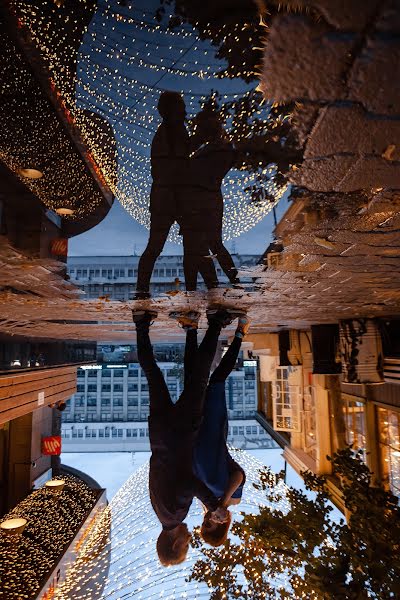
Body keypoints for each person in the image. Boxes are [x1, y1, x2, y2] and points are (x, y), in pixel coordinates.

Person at [132, 306, 241, 565]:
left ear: (175, 543)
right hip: (159, 434)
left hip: (180, 433)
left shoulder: (174, 514)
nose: (190, 539)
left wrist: (214, 506)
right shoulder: (161, 512)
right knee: (153, 375)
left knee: (199, 379)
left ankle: (216, 322)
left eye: (186, 545)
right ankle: (141, 324)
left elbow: (188, 484)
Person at [136, 91, 218, 296]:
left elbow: (179, 157)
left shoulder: (169, 130)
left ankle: (142, 290)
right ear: (171, 109)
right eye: (180, 105)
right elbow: (181, 158)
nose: (184, 109)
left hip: (166, 197)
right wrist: (202, 136)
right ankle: (213, 288)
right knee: (194, 245)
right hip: (174, 197)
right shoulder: (172, 130)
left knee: (159, 247)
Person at [193, 314, 250, 546]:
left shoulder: (201, 499)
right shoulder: (233, 500)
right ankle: (239, 334)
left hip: (195, 429)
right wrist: (223, 503)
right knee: (217, 381)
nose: (206, 520)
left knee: (198, 380)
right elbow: (239, 475)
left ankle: (205, 329)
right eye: (210, 524)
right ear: (221, 524)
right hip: (214, 430)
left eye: (203, 523)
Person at [181, 109, 239, 289]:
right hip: (201, 201)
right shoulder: (214, 147)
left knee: (205, 246)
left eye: (200, 126)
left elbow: (200, 174)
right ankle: (223, 285)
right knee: (200, 248)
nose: (197, 130)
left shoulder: (219, 149)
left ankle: (231, 283)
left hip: (202, 202)